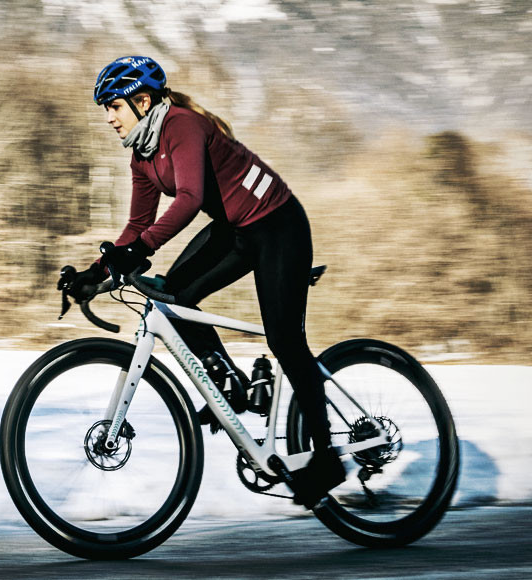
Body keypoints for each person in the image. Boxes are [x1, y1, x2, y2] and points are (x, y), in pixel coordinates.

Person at [57, 55, 344, 508]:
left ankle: (327, 458)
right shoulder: (142, 155)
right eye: (105, 109)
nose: (108, 117)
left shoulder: (182, 125)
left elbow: (190, 199)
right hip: (235, 230)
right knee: (173, 296)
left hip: (278, 226)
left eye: (113, 106)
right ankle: (229, 382)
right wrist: (97, 273)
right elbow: (136, 227)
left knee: (285, 341)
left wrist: (139, 250)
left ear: (142, 101)